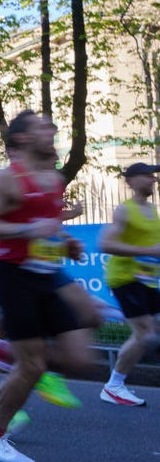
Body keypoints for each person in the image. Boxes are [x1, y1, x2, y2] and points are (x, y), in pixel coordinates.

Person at [0, 110, 93, 462]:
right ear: (22, 139)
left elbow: (45, 225)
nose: (50, 131)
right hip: (12, 274)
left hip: (44, 272)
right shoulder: (9, 181)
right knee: (34, 365)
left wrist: (65, 240)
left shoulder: (53, 180)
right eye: (42, 128)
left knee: (78, 358)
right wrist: (25, 233)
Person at [97, 162, 160, 406]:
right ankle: (113, 386)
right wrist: (148, 251)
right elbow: (105, 244)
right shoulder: (125, 211)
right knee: (144, 333)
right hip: (125, 278)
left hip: (148, 279)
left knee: (156, 332)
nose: (152, 180)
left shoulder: (153, 211)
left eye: (153, 176)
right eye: (146, 176)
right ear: (131, 181)